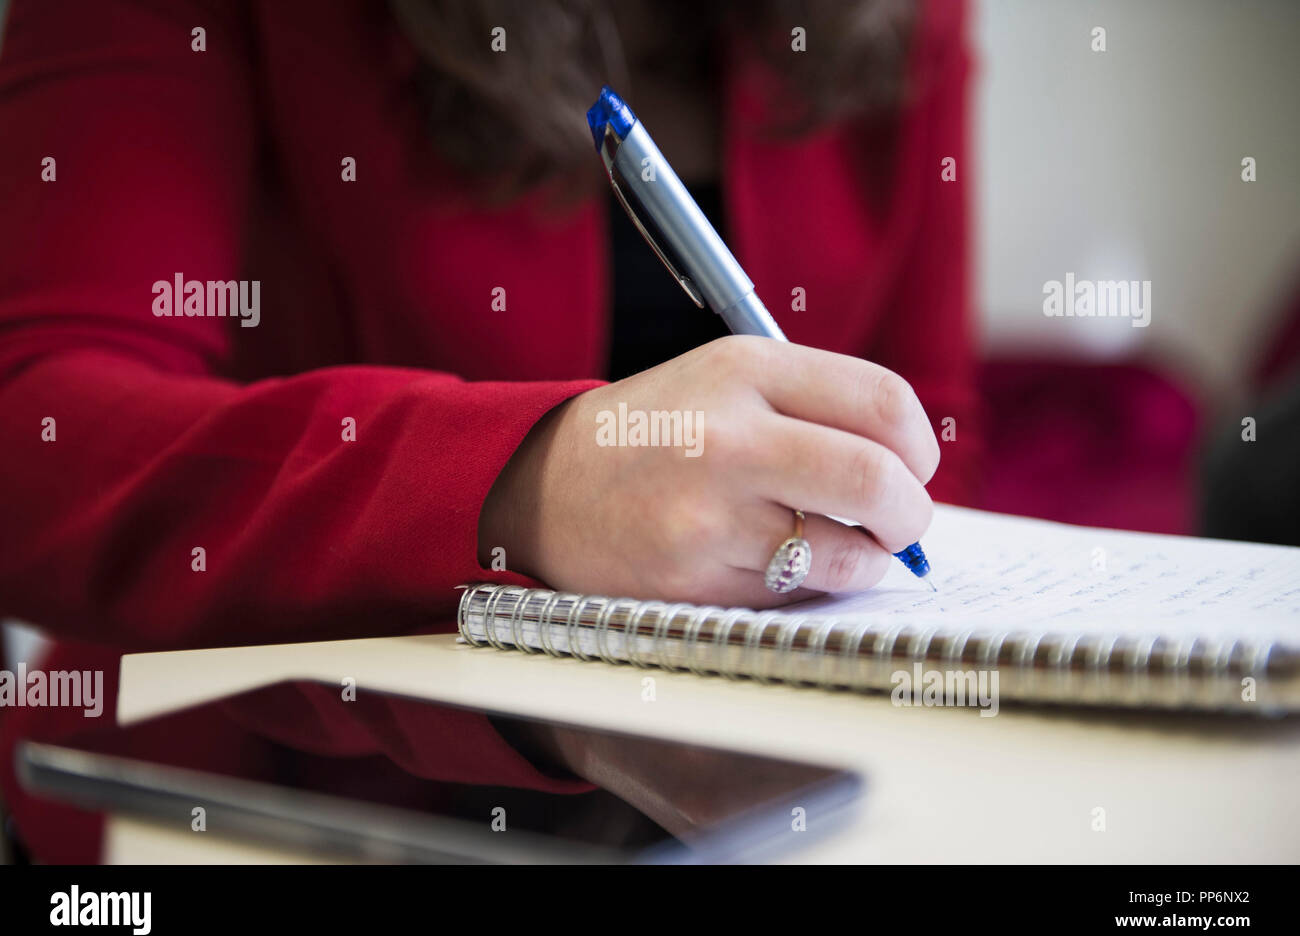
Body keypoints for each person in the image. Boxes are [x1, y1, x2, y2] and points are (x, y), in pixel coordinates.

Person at [0, 0, 978, 861]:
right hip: (269, 798)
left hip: (785, 796)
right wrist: (528, 483)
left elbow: (925, 418)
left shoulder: (901, 17)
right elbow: (39, 427)